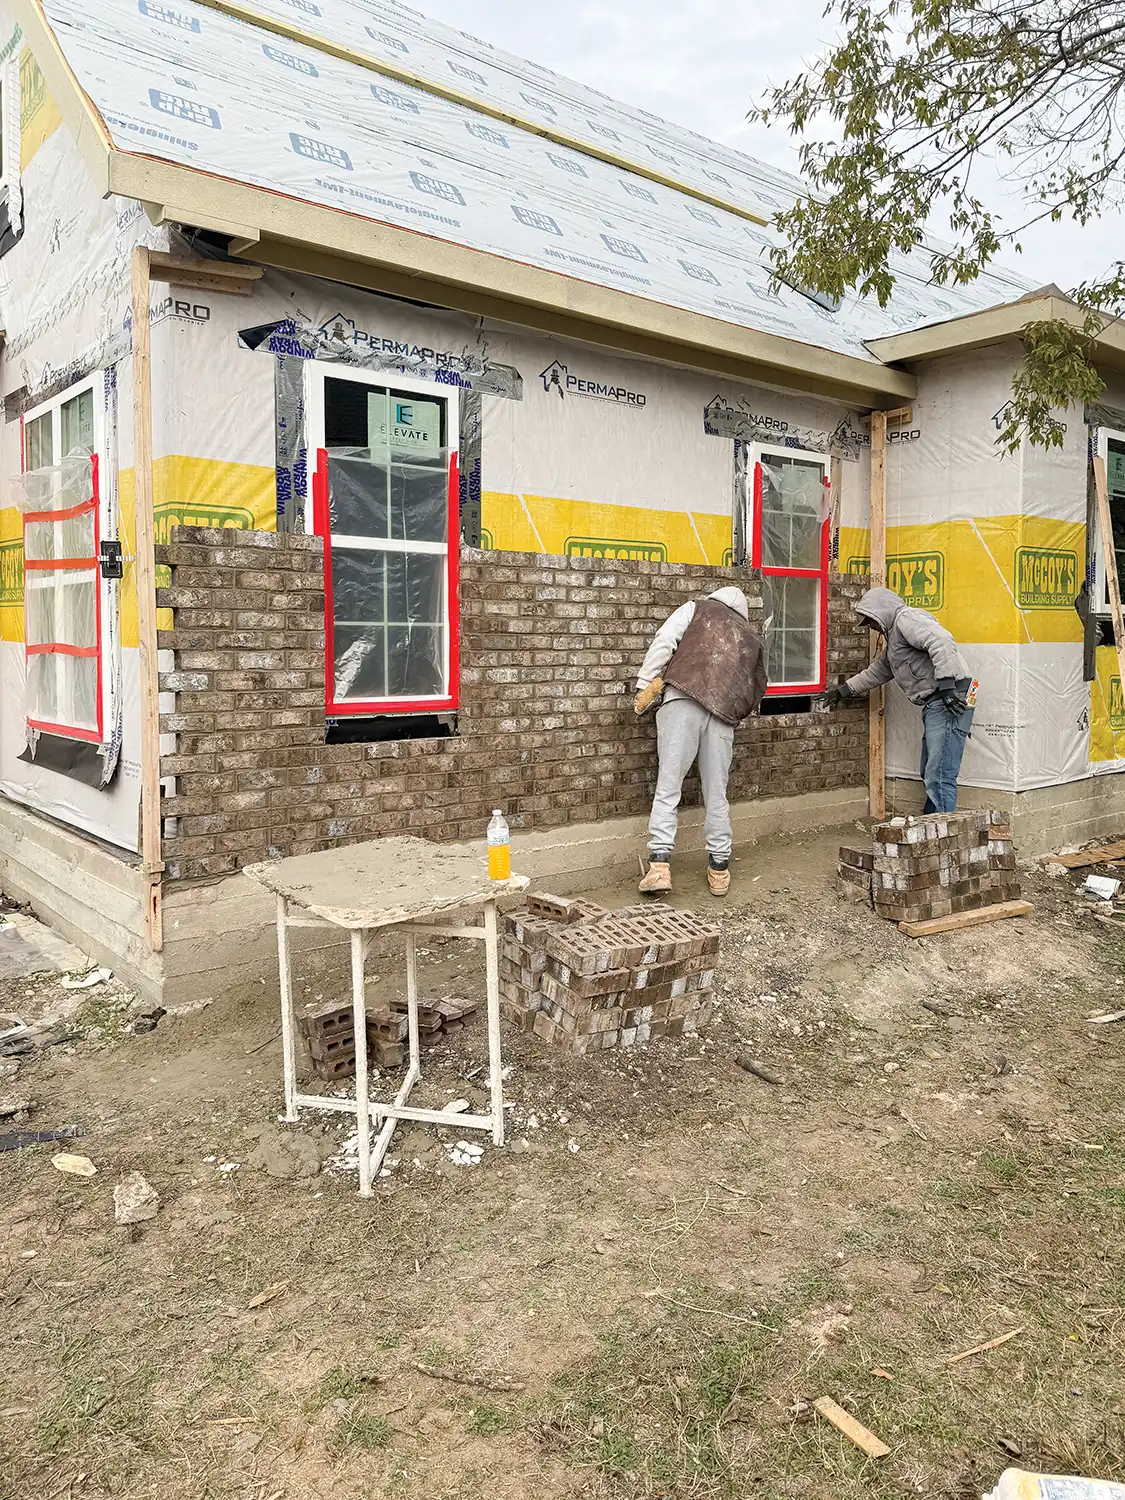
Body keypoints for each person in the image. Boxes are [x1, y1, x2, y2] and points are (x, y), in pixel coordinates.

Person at [634, 586, 767, 897]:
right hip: (722, 714)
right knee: (716, 792)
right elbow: (758, 686)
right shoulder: (750, 636)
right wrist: (734, 711)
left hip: (682, 699)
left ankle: (659, 867)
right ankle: (720, 868)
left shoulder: (697, 608)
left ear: (715, 598)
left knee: (669, 786)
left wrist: (644, 684)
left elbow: (665, 641)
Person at [825, 585, 977, 814]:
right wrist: (842, 691)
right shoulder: (895, 639)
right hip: (938, 700)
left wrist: (947, 687)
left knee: (940, 773)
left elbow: (941, 641)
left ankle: (944, 835)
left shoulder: (906, 618)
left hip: (948, 698)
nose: (873, 627)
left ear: (882, 610)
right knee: (932, 771)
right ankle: (932, 824)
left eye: (872, 621)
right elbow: (879, 671)